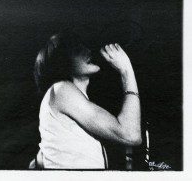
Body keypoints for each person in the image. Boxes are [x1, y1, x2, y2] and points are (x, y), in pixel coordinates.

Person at [29, 31, 142, 169]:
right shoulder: (61, 90)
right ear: (61, 61)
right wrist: (126, 69)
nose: (87, 51)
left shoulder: (67, 98)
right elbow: (131, 135)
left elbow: (39, 159)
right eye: (77, 50)